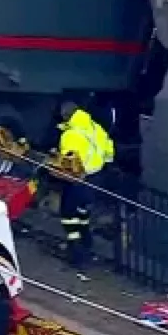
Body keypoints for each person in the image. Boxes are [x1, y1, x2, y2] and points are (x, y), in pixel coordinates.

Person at [55, 100, 115, 270]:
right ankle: (87, 240)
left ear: (66, 116)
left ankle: (76, 253)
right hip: (97, 177)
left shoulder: (70, 135)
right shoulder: (94, 126)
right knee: (83, 210)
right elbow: (108, 147)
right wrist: (104, 165)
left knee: (68, 214)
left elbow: (67, 162)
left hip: (79, 179)